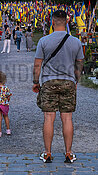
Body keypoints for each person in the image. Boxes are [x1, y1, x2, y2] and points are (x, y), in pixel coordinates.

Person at [32, 10, 84, 164]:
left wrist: (36, 82)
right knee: (67, 118)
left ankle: (47, 153)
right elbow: (80, 63)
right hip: (68, 81)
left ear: (52, 22)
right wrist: (76, 80)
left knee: (49, 118)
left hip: (48, 82)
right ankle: (68, 153)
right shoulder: (75, 42)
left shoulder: (43, 41)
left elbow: (37, 64)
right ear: (67, 22)